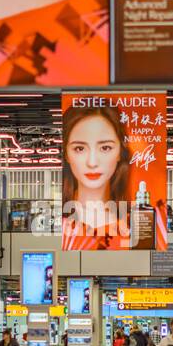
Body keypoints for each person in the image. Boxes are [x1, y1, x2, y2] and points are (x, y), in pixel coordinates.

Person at [60, 103, 132, 251]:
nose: (92, 162)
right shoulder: (58, 224)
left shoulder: (137, 224)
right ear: (66, 154)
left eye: (105, 148)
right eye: (79, 148)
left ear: (120, 152)